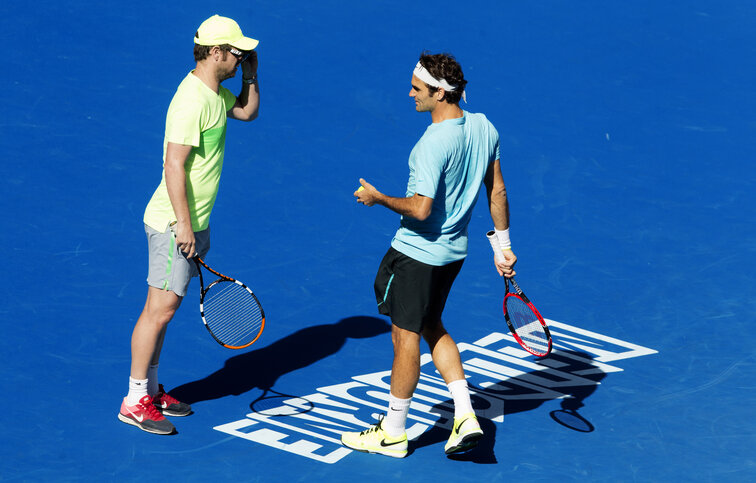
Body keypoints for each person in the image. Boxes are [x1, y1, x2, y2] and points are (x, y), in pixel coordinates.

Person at [341, 52, 517, 457]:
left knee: (405, 339)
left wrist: (378, 198)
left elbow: (420, 209)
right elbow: (498, 191)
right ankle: (466, 415)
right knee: (431, 325)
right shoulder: (484, 126)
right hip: (453, 254)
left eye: (417, 89)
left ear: (440, 92)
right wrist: (502, 247)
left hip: (417, 256)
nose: (410, 94)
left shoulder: (431, 145)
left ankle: (393, 432)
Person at [118, 14, 261, 435]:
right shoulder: (191, 101)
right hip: (173, 223)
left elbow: (249, 113)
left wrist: (250, 76)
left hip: (193, 222)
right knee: (157, 310)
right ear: (215, 53)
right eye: (237, 53)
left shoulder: (215, 94)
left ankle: (154, 387)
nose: (241, 57)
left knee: (168, 308)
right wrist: (183, 225)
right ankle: (134, 399)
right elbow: (173, 165)